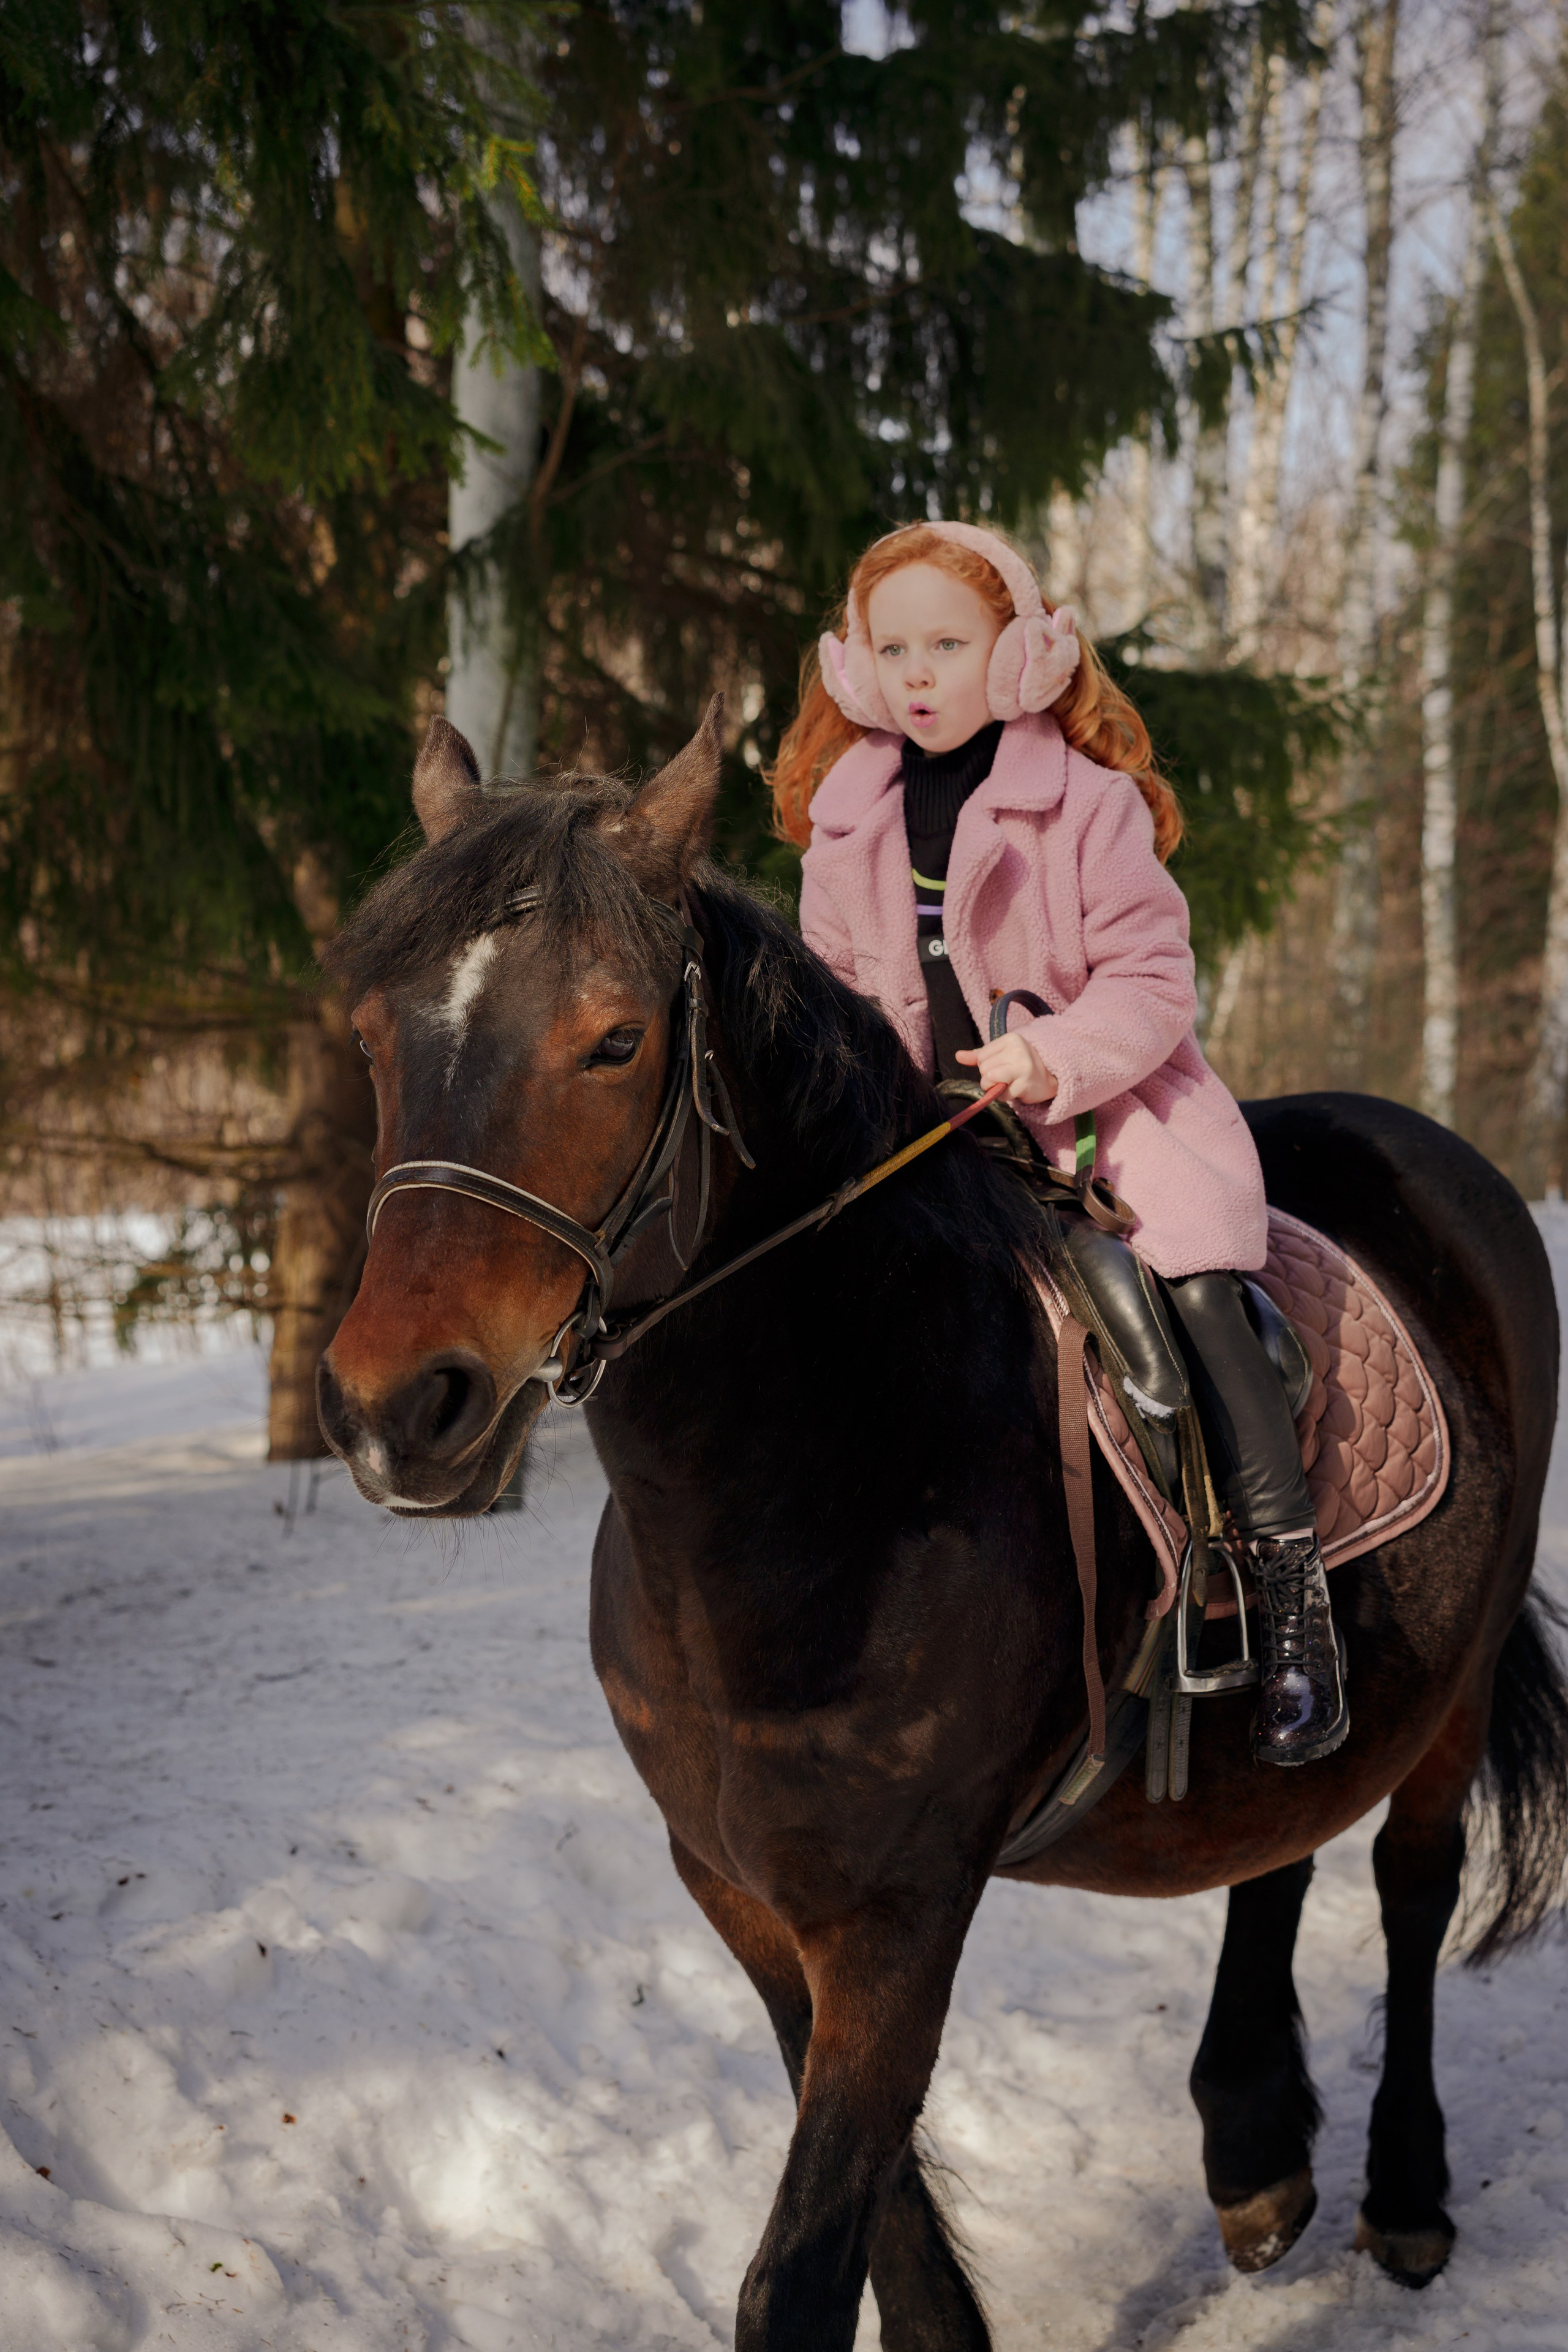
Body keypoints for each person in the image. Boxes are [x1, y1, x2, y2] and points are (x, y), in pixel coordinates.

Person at [768, 521, 1346, 1767]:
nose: (919, 673)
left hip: (1097, 1114)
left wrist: (1052, 1055)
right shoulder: (842, 828)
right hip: (919, 1136)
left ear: (1016, 654)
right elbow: (829, 996)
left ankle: (1286, 1596)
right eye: (894, 648)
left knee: (1189, 1295)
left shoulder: (1084, 806)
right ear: (858, 666)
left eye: (948, 643)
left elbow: (1149, 979)